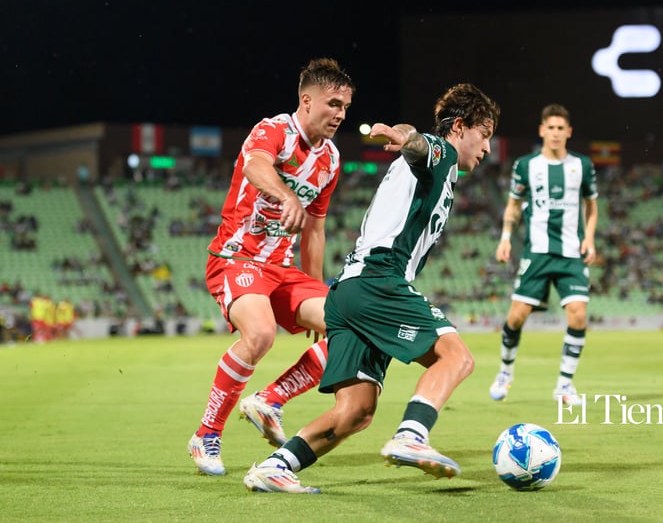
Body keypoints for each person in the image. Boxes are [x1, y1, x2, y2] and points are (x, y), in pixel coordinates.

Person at [242, 82, 501, 493]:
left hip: (348, 291)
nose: (487, 148)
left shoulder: (440, 169)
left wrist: (407, 136)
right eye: (484, 135)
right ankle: (412, 436)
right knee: (456, 357)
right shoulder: (442, 151)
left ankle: (276, 466)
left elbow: (415, 145)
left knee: (356, 410)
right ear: (462, 126)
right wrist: (406, 137)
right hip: (380, 279)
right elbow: (420, 145)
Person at [187, 57, 355, 476]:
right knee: (261, 333)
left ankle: (270, 400)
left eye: (346, 107)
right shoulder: (274, 130)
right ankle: (206, 434)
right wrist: (286, 196)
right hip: (236, 257)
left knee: (350, 327)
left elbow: (315, 231)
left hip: (283, 270)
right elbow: (255, 165)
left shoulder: (331, 159)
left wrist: (319, 294)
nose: (340, 114)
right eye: (333, 104)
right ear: (306, 99)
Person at [488, 103, 598, 406]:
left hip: (570, 254)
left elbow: (591, 206)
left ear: (569, 132)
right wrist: (506, 238)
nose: (555, 133)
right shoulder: (525, 166)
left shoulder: (583, 166)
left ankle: (564, 385)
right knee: (515, 317)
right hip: (536, 252)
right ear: (542, 131)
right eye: (550, 128)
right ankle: (505, 372)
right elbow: (513, 205)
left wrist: (589, 238)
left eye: (561, 128)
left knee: (578, 315)